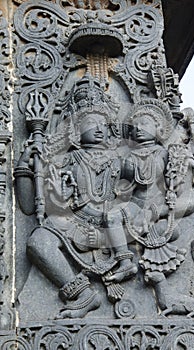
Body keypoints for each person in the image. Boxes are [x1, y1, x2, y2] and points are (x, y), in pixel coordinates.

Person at [14, 77, 137, 319]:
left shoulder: (120, 160)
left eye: (104, 122)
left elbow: (146, 192)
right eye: (92, 122)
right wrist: (24, 166)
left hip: (111, 227)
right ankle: (82, 294)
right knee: (38, 242)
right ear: (76, 128)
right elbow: (29, 207)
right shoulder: (63, 160)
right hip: (72, 222)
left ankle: (124, 261)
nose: (100, 128)